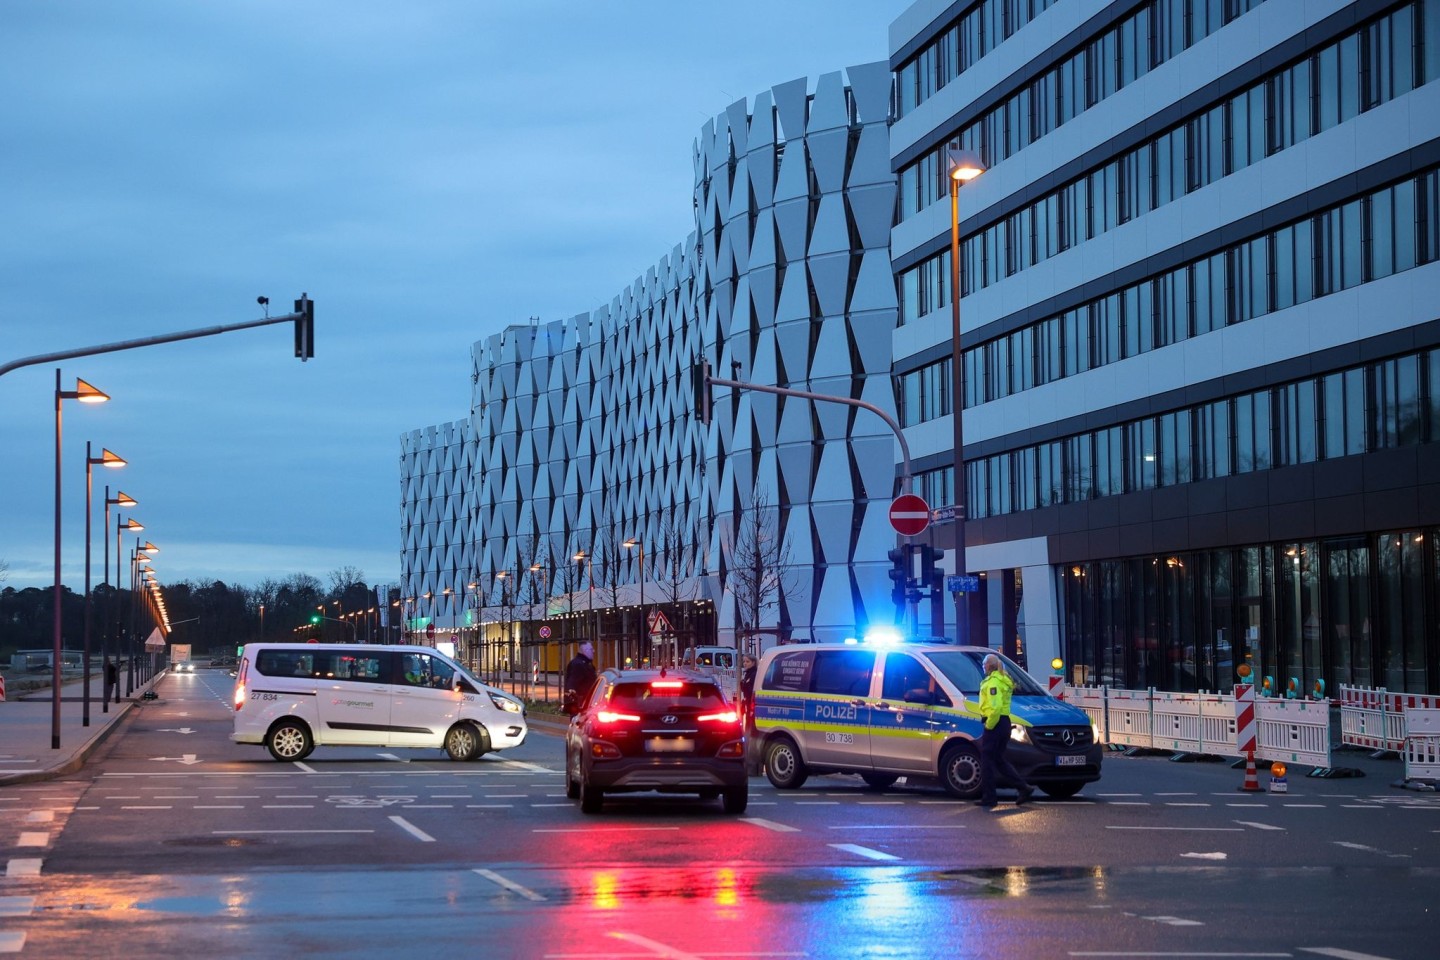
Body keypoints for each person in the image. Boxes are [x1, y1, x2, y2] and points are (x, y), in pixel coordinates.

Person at [976, 653, 1034, 808]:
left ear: (989, 665)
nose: (983, 666)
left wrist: (988, 725)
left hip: (995, 723)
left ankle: (989, 797)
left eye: (984, 664)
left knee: (986, 760)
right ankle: (1023, 787)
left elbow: (994, 708)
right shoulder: (1003, 680)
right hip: (1004, 723)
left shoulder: (993, 683)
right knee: (999, 759)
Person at [563, 641, 597, 716]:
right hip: (580, 706)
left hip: (585, 704)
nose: (594, 651)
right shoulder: (578, 664)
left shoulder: (586, 663)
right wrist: (575, 705)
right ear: (584, 650)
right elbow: (571, 685)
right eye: (591, 649)